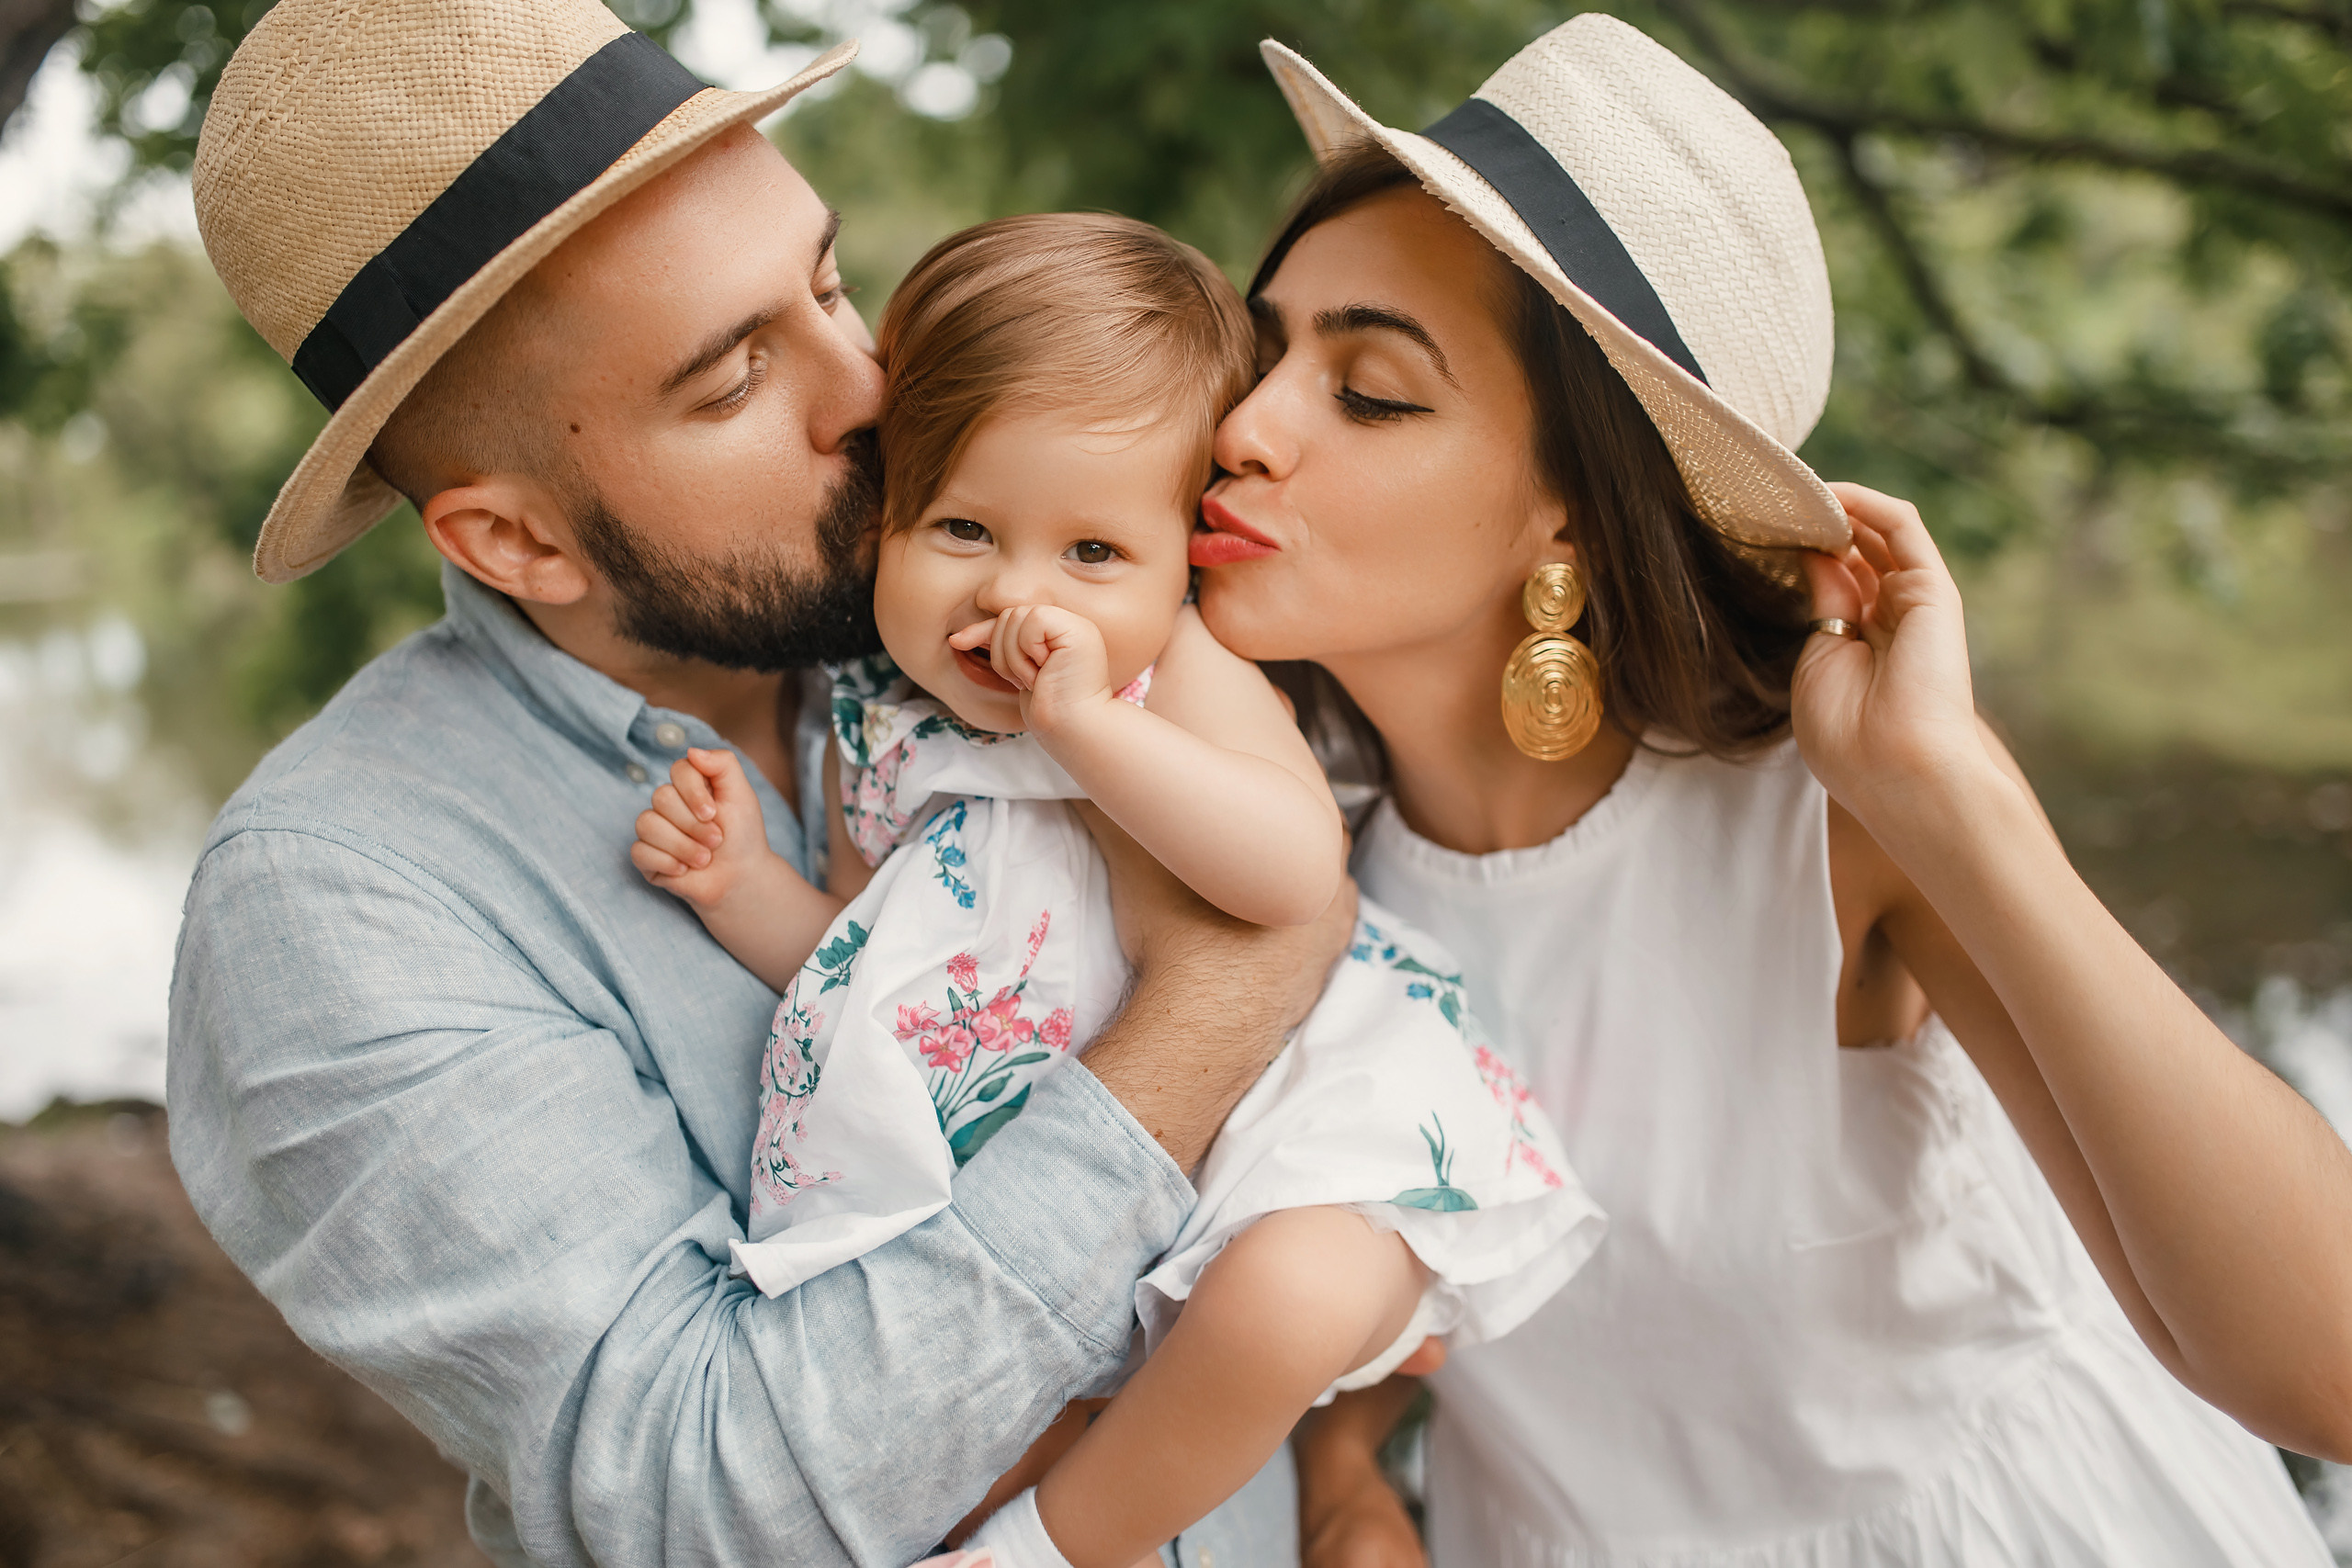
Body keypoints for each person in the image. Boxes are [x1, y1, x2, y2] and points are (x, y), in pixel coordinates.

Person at [165, 2, 1340, 1562]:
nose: (868, 394)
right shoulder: (337, 896)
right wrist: (1217, 1002)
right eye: (731, 383)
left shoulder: (985, 598)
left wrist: (1352, 1476)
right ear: (513, 540)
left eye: (832, 285)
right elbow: (698, 1492)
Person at [1193, 18, 2352, 1566]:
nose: (1245, 429)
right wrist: (1345, 1479)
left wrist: (1953, 797)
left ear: (1571, 517)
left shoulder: (1826, 821)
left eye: (1372, 392)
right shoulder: (1266, 848)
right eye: (1265, 351)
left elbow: (2325, 1370)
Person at [626, 212, 1600, 1568]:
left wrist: (1091, 734)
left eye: (1094, 554)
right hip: (1074, 1189)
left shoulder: (1174, 675)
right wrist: (740, 890)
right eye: (963, 527)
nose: (1018, 600)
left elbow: (1290, 870)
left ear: (1181, 553)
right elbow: (863, 966)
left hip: (1293, 1128)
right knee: (1010, 1403)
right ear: (883, 526)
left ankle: (1055, 1551)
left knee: (1280, 1305)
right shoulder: (872, 726)